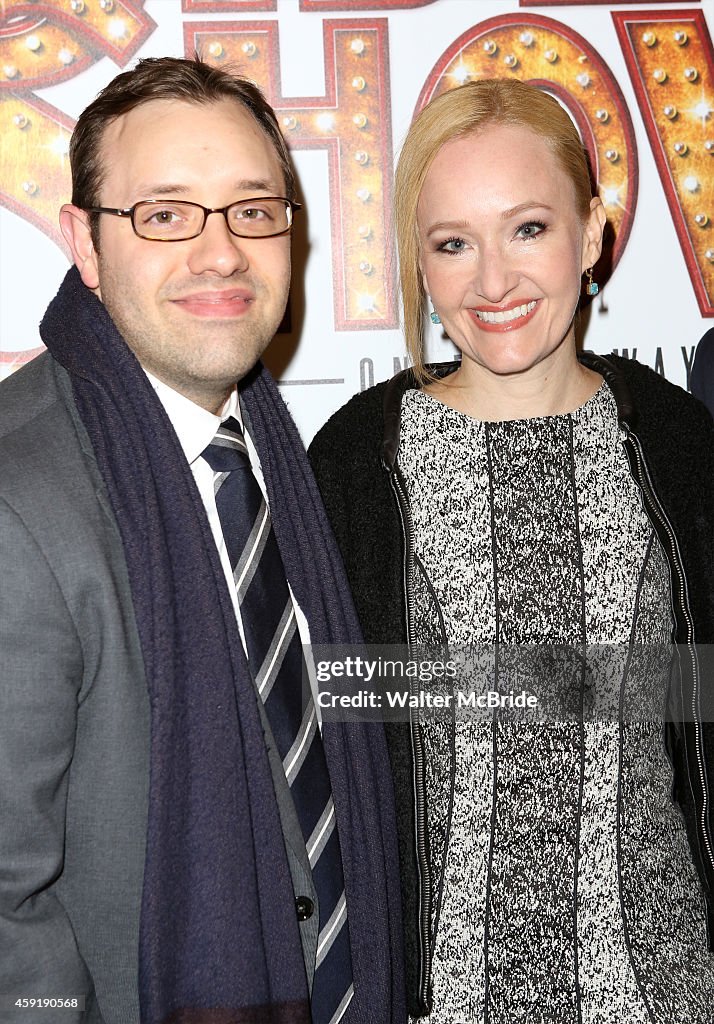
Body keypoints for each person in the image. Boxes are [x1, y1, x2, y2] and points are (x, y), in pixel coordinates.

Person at [0, 57, 404, 1024]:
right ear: (84, 246)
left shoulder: (286, 458)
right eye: (166, 214)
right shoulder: (19, 499)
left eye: (253, 210)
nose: (221, 253)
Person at [309, 79, 714, 1021]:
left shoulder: (675, 440)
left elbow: (702, 694)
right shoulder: (356, 462)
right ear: (419, 261)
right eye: (453, 243)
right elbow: (334, 710)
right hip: (433, 994)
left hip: (667, 985)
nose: (493, 283)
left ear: (593, 232)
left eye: (527, 228)